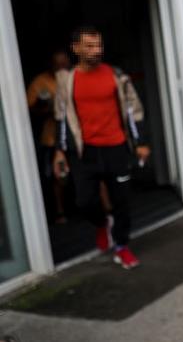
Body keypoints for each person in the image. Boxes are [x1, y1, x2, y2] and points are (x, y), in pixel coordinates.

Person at [52, 26, 150, 269]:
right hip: (85, 151)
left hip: (116, 147)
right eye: (89, 46)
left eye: (98, 46)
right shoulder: (67, 80)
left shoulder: (116, 76)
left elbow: (133, 111)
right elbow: (61, 117)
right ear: (76, 48)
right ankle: (101, 224)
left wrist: (141, 143)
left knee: (122, 202)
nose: (96, 51)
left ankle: (121, 246)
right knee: (84, 202)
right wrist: (59, 150)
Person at [27, 50, 71, 224]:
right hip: (52, 135)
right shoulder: (40, 82)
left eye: (65, 64)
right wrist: (44, 109)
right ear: (51, 65)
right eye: (58, 64)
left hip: (76, 133)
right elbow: (28, 108)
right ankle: (60, 210)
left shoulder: (74, 76)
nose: (62, 67)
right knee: (57, 174)